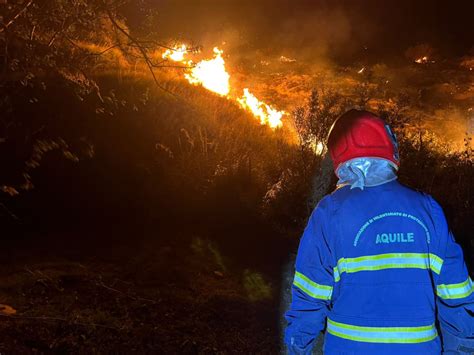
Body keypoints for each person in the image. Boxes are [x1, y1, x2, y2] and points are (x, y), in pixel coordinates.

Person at [284, 109, 474, 354]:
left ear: (338, 156)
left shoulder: (329, 212)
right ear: (389, 147)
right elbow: (458, 296)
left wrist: (297, 348)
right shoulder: (429, 210)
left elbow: (308, 299)